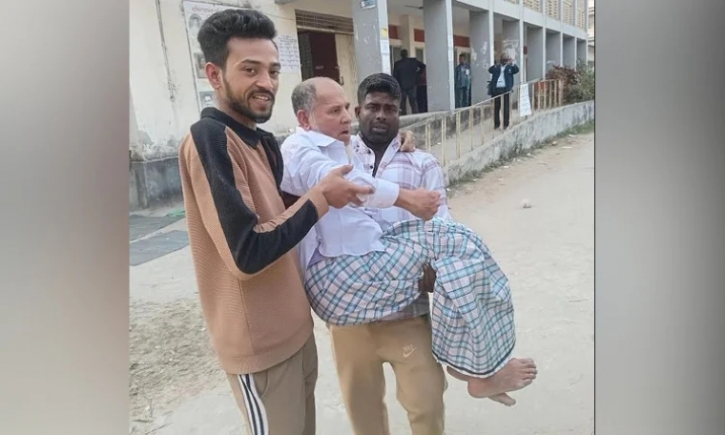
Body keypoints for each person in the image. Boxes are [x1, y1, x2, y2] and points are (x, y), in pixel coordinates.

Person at [280, 75, 538, 420]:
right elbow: (341, 181)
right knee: (364, 412)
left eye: (390, 109)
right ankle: (477, 372)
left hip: (405, 309)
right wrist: (405, 199)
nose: (380, 115)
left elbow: (440, 224)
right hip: (349, 310)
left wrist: (433, 271)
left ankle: (475, 367)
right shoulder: (331, 150)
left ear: (400, 114)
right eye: (371, 107)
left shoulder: (420, 162)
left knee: (426, 407)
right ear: (360, 111)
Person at [177, 10, 377, 435]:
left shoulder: (262, 141)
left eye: (272, 71)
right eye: (249, 70)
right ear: (214, 74)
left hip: (296, 333)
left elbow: (288, 213)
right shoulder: (211, 139)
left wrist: (394, 143)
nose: (266, 82)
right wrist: (320, 198)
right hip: (260, 347)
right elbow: (246, 253)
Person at [488, 53, 520, 130]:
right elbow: (490, 70)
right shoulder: (497, 67)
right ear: (501, 60)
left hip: (506, 89)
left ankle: (506, 124)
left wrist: (512, 63)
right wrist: (496, 64)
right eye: (503, 60)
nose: (505, 62)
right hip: (496, 89)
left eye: (506, 60)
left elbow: (516, 70)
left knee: (506, 107)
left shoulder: (510, 67)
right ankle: (496, 124)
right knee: (496, 107)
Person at [392, 49, 426, 115]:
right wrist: (417, 73)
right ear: (407, 54)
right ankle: (415, 114)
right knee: (413, 101)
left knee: (403, 102)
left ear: (401, 55)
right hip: (412, 84)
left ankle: (404, 115)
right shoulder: (413, 61)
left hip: (402, 85)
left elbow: (395, 75)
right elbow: (423, 66)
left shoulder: (398, 64)